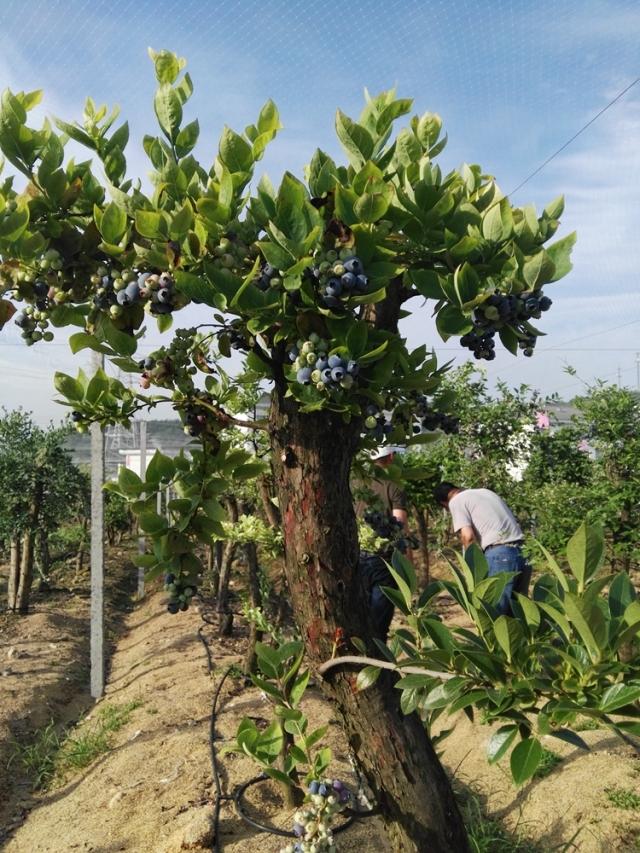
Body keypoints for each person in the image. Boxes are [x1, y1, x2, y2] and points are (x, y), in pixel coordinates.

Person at [433, 482, 531, 615]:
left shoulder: (455, 501)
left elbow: (467, 537)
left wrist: (472, 569)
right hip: (524, 551)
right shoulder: (486, 492)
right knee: (520, 612)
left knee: (496, 612)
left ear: (444, 503)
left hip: (500, 554)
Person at [354, 446, 411, 640]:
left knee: (358, 620)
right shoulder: (393, 486)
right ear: (391, 457)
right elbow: (399, 526)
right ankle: (380, 666)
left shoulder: (353, 483)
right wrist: (405, 561)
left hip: (355, 558)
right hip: (383, 561)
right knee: (379, 627)